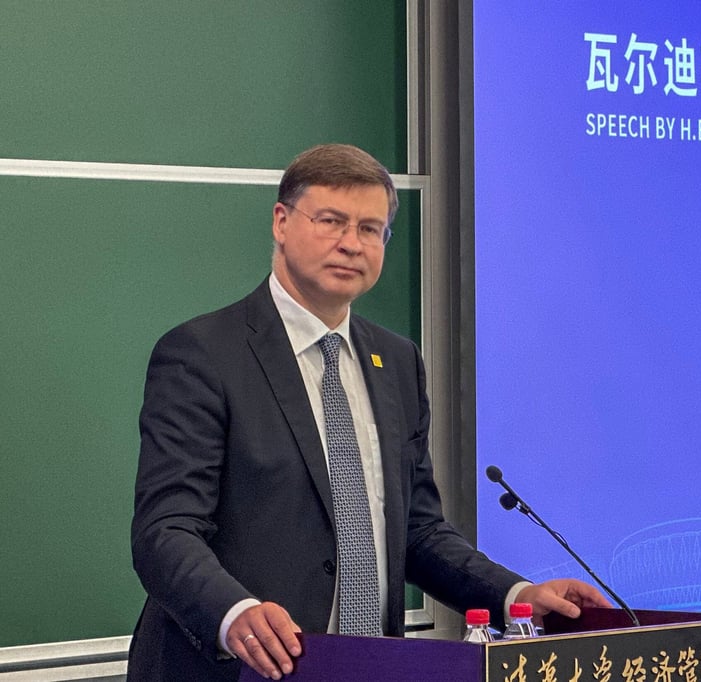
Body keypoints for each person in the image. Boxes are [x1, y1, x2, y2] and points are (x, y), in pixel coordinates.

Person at [128, 143, 610, 681]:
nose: (350, 244)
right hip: (239, 669)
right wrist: (235, 612)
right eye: (331, 221)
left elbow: (418, 532)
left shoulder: (397, 361)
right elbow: (165, 531)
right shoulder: (203, 353)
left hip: (367, 665)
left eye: (369, 229)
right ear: (282, 222)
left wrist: (518, 595)